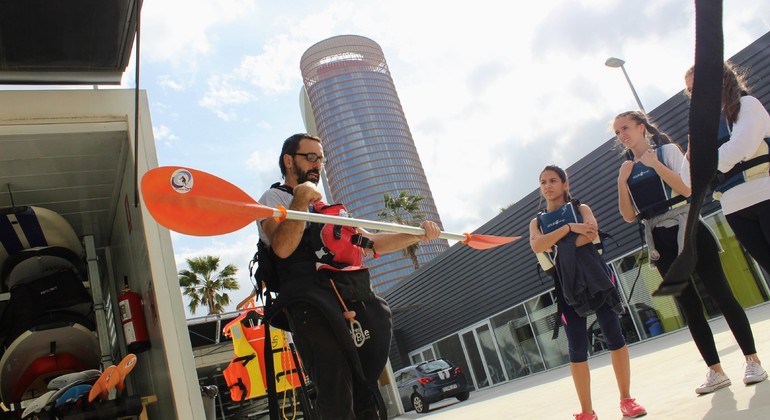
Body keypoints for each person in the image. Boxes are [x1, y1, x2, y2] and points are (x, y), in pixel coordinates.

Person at [257, 133, 440, 419]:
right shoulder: (274, 198)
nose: (318, 164)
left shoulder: (330, 210)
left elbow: (372, 242)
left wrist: (417, 234)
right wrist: (300, 202)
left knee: (363, 386)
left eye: (322, 159)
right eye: (311, 157)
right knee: (335, 386)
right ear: (289, 160)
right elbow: (282, 248)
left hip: (343, 297)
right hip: (308, 303)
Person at [614, 110, 767, 394]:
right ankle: (715, 371)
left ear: (641, 127)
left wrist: (655, 165)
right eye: (617, 132)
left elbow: (686, 188)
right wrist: (623, 181)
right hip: (659, 239)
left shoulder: (667, 150)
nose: (621, 135)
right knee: (690, 307)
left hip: (688, 227)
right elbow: (627, 215)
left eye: (625, 127)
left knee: (721, 293)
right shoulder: (626, 168)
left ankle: (752, 360)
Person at [529, 165, 646, 420]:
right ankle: (586, 412)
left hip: (596, 278)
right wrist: (570, 229)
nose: (547, 186)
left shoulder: (581, 209)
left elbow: (591, 234)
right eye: (543, 182)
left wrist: (558, 243)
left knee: (614, 336)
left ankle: (627, 400)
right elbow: (538, 244)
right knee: (577, 348)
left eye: (553, 180)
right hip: (567, 286)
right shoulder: (537, 221)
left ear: (564, 184)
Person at [682, 61, 770, 287]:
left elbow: (742, 148)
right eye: (691, 90)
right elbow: (687, 180)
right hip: (733, 208)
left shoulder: (747, 104)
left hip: (764, 195)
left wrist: (704, 162)